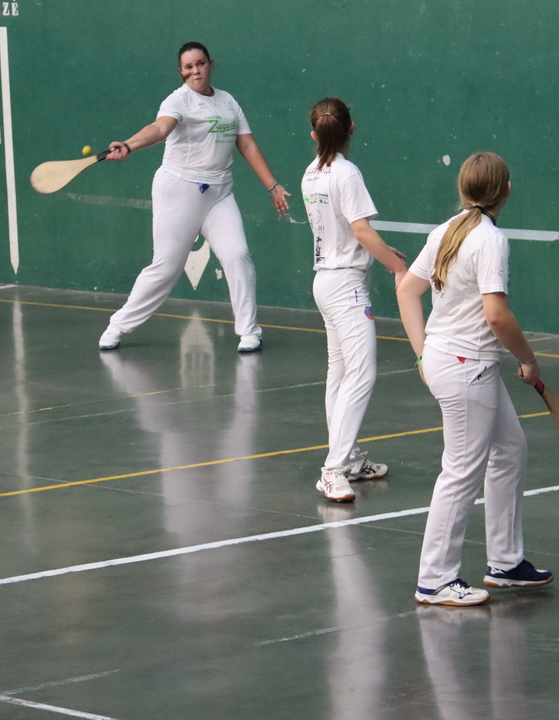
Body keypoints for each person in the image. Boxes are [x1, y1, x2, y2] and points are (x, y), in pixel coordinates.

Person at [396, 152, 553, 606]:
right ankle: (435, 580)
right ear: (506, 191)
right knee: (461, 471)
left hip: (452, 361)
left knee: (510, 449)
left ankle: (505, 563)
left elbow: (406, 290)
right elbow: (497, 315)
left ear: (463, 190)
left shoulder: (447, 229)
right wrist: (528, 359)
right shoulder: (489, 239)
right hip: (466, 368)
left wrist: (422, 352)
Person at [97, 42, 289, 354]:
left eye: (200, 64)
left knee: (238, 254)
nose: (196, 71)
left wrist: (273, 185)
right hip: (178, 191)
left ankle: (249, 331)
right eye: (188, 67)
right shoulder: (178, 101)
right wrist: (129, 145)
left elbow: (247, 144)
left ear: (210, 64)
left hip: (219, 193)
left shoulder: (228, 101)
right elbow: (160, 129)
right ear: (181, 72)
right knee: (166, 267)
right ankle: (117, 326)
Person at [301, 98, 407, 502]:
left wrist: (382, 252)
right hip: (346, 287)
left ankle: (349, 460)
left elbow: (345, 232)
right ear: (351, 128)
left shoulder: (311, 173)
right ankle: (333, 469)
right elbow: (360, 230)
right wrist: (398, 268)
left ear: (314, 135)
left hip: (325, 282)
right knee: (361, 375)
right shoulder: (347, 173)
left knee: (341, 373)